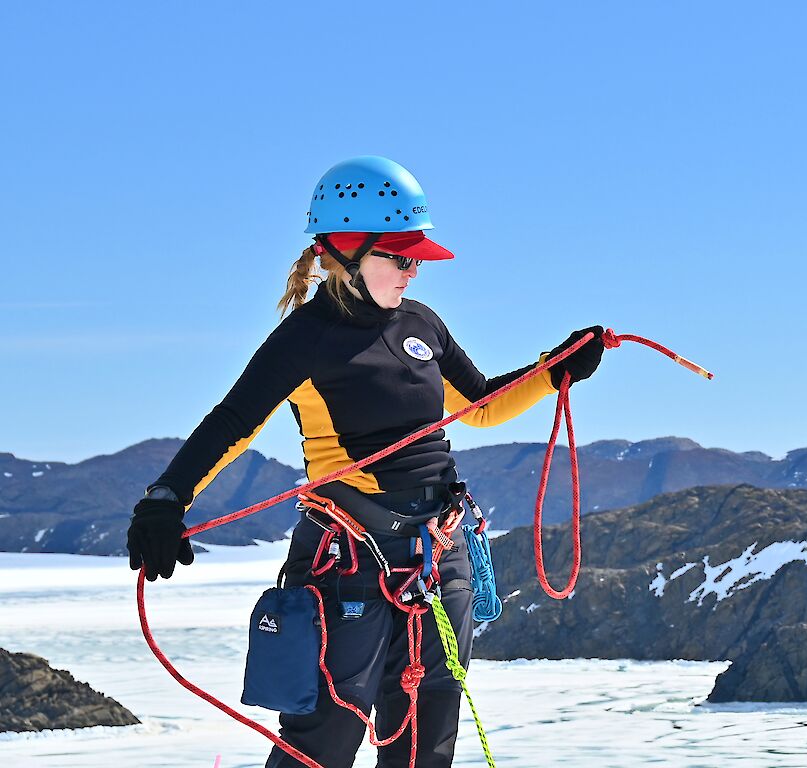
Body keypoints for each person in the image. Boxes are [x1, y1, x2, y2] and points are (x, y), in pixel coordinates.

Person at [125, 156, 603, 767]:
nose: (412, 272)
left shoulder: (422, 324)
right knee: (323, 740)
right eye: (401, 258)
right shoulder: (307, 338)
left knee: (426, 737)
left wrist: (552, 369)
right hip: (348, 561)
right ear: (349, 251)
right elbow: (232, 425)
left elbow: (479, 406)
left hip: (439, 554)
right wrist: (166, 499)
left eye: (416, 260)